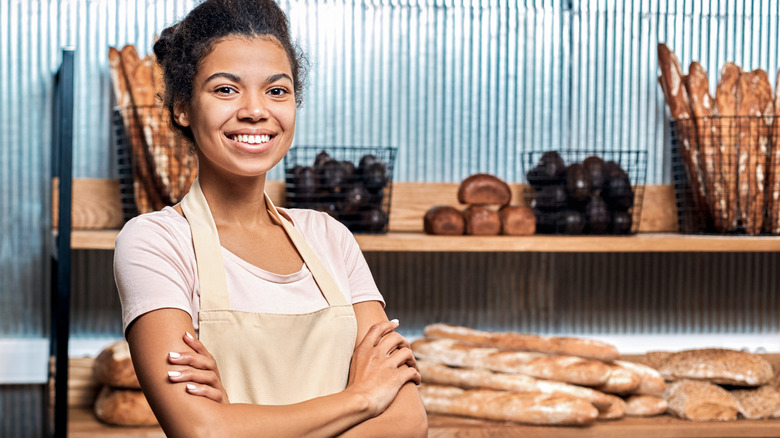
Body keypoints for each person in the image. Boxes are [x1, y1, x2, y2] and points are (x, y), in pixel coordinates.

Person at [113, 0, 427, 436]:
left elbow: (407, 422)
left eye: (276, 90)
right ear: (183, 107)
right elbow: (203, 431)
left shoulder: (329, 237)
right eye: (226, 89)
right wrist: (361, 397)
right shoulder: (155, 242)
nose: (255, 110)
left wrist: (240, 420)